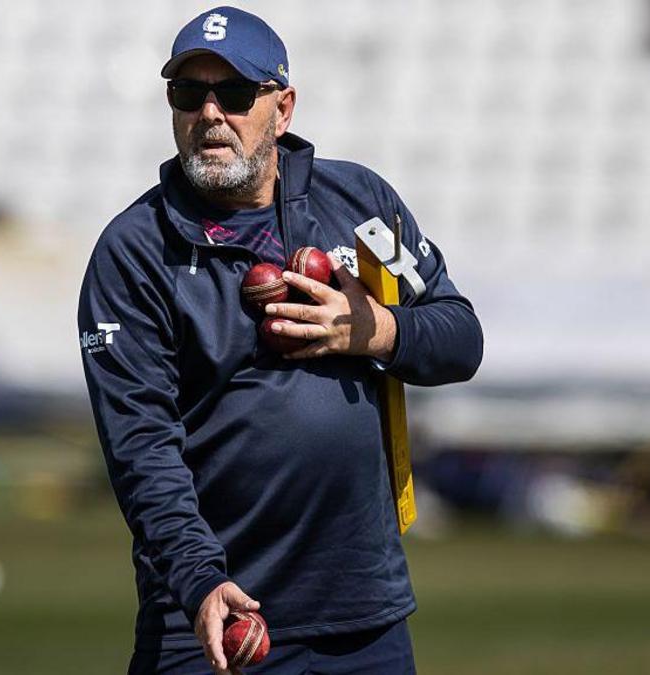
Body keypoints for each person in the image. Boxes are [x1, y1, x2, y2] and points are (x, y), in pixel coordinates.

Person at [77, 7, 483, 674]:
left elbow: (460, 338)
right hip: (215, 621)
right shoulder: (134, 251)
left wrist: (374, 329)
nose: (210, 113)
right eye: (188, 93)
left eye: (234, 93)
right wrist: (199, 578)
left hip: (364, 617)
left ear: (283, 107)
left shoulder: (360, 205)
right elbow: (142, 449)